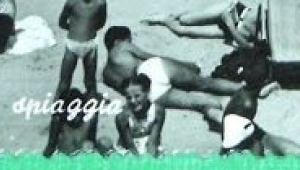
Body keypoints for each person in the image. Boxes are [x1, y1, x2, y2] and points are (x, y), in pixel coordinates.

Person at [101, 26, 247, 125]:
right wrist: (187, 65)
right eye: (129, 39)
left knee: (193, 101)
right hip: (153, 69)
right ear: (117, 41)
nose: (131, 42)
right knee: (204, 83)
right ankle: (244, 88)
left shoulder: (106, 74)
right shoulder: (122, 46)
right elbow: (150, 57)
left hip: (149, 91)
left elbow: (127, 90)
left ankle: (216, 114)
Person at [57, 0, 107, 96]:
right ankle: (57, 113)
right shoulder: (72, 3)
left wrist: (89, 29)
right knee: (64, 82)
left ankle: (92, 109)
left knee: (90, 81)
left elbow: (101, 21)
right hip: (72, 45)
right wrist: (74, 28)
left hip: (90, 45)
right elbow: (61, 22)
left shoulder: (101, 3)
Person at [43, 89, 110, 157]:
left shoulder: (90, 117)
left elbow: (91, 141)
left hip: (82, 149)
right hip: (66, 151)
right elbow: (51, 146)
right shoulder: (58, 121)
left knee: (103, 142)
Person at [114, 73, 165, 156]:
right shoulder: (122, 116)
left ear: (147, 92)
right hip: (130, 151)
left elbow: (153, 141)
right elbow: (130, 145)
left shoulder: (158, 111)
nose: (133, 101)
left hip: (151, 148)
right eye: (128, 98)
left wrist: (149, 159)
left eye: (137, 96)